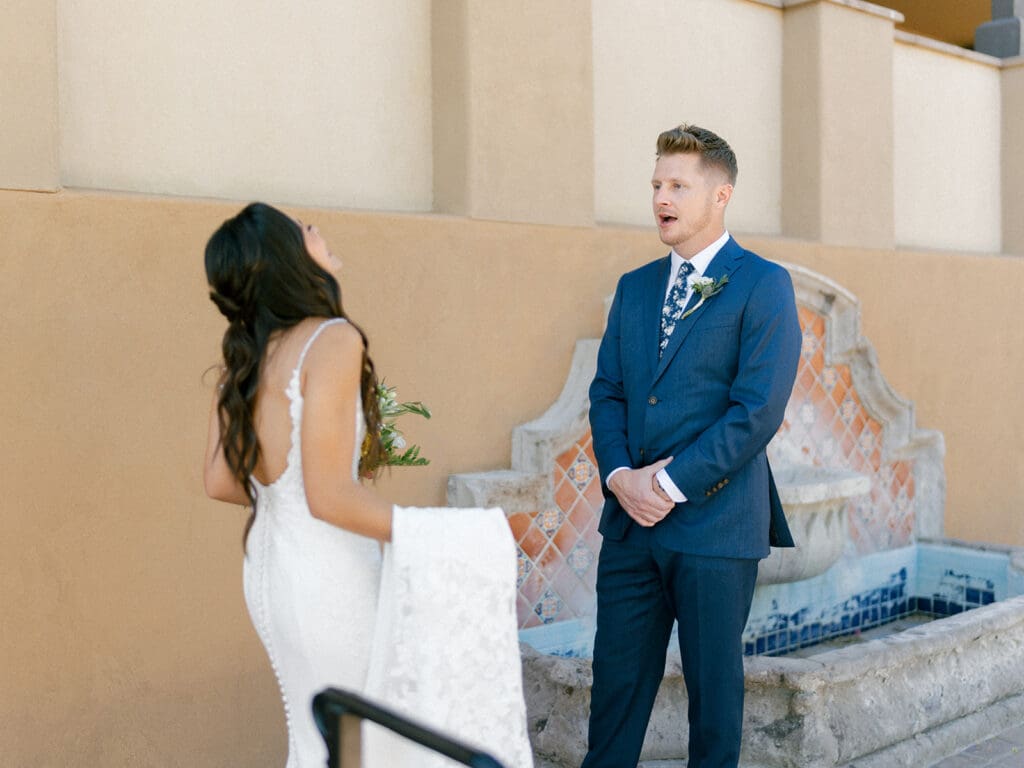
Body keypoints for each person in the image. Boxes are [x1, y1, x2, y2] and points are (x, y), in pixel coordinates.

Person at [202, 202, 532, 768]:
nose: (314, 230)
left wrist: (292, 487)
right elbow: (328, 497)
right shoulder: (330, 338)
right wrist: (454, 533)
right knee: (364, 746)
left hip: (273, 575)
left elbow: (221, 481)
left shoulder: (248, 355)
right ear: (288, 256)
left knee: (318, 742)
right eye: (300, 229)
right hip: (331, 576)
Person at [583, 125, 801, 768]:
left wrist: (669, 486)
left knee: (714, 703)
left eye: (678, 185)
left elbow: (756, 411)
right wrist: (623, 476)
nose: (661, 198)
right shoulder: (636, 286)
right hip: (630, 526)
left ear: (721, 195)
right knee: (614, 693)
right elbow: (608, 392)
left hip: (715, 524)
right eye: (656, 185)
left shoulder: (764, 284)